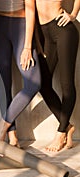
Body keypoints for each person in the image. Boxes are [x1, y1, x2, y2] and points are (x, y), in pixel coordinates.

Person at [0, 0, 41, 147]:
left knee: (33, 84)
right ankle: (12, 136)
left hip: (21, 24)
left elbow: (31, 8)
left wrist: (27, 47)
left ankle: (2, 126)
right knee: (3, 84)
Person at [36, 0, 79, 152]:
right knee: (42, 84)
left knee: (66, 84)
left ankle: (61, 133)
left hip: (63, 30)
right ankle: (67, 126)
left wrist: (73, 14)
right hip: (44, 33)